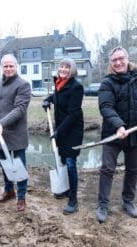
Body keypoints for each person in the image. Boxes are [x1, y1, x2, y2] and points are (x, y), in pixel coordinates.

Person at [96, 46, 137, 223]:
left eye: (120, 58)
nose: (118, 62)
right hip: (113, 134)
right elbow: (106, 107)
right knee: (107, 170)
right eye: (114, 60)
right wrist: (118, 125)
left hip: (136, 133)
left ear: (127, 59)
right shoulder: (107, 83)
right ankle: (102, 205)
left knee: (133, 170)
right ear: (111, 63)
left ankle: (128, 201)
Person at [0, 54, 31, 212]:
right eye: (5, 66)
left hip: (16, 133)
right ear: (1, 67)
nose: (8, 69)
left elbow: (19, 109)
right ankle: (9, 190)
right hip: (0, 132)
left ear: (16, 66)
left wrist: (1, 123)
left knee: (19, 166)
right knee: (5, 164)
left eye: (11, 66)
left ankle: (21, 197)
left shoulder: (23, 85)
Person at [42, 58, 84, 215]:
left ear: (72, 69)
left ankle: (73, 200)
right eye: (61, 66)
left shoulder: (76, 87)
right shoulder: (59, 83)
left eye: (67, 67)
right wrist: (47, 100)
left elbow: (73, 113)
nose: (64, 69)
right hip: (61, 129)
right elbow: (57, 98)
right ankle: (65, 189)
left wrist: (58, 131)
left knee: (70, 163)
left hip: (72, 131)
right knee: (62, 161)